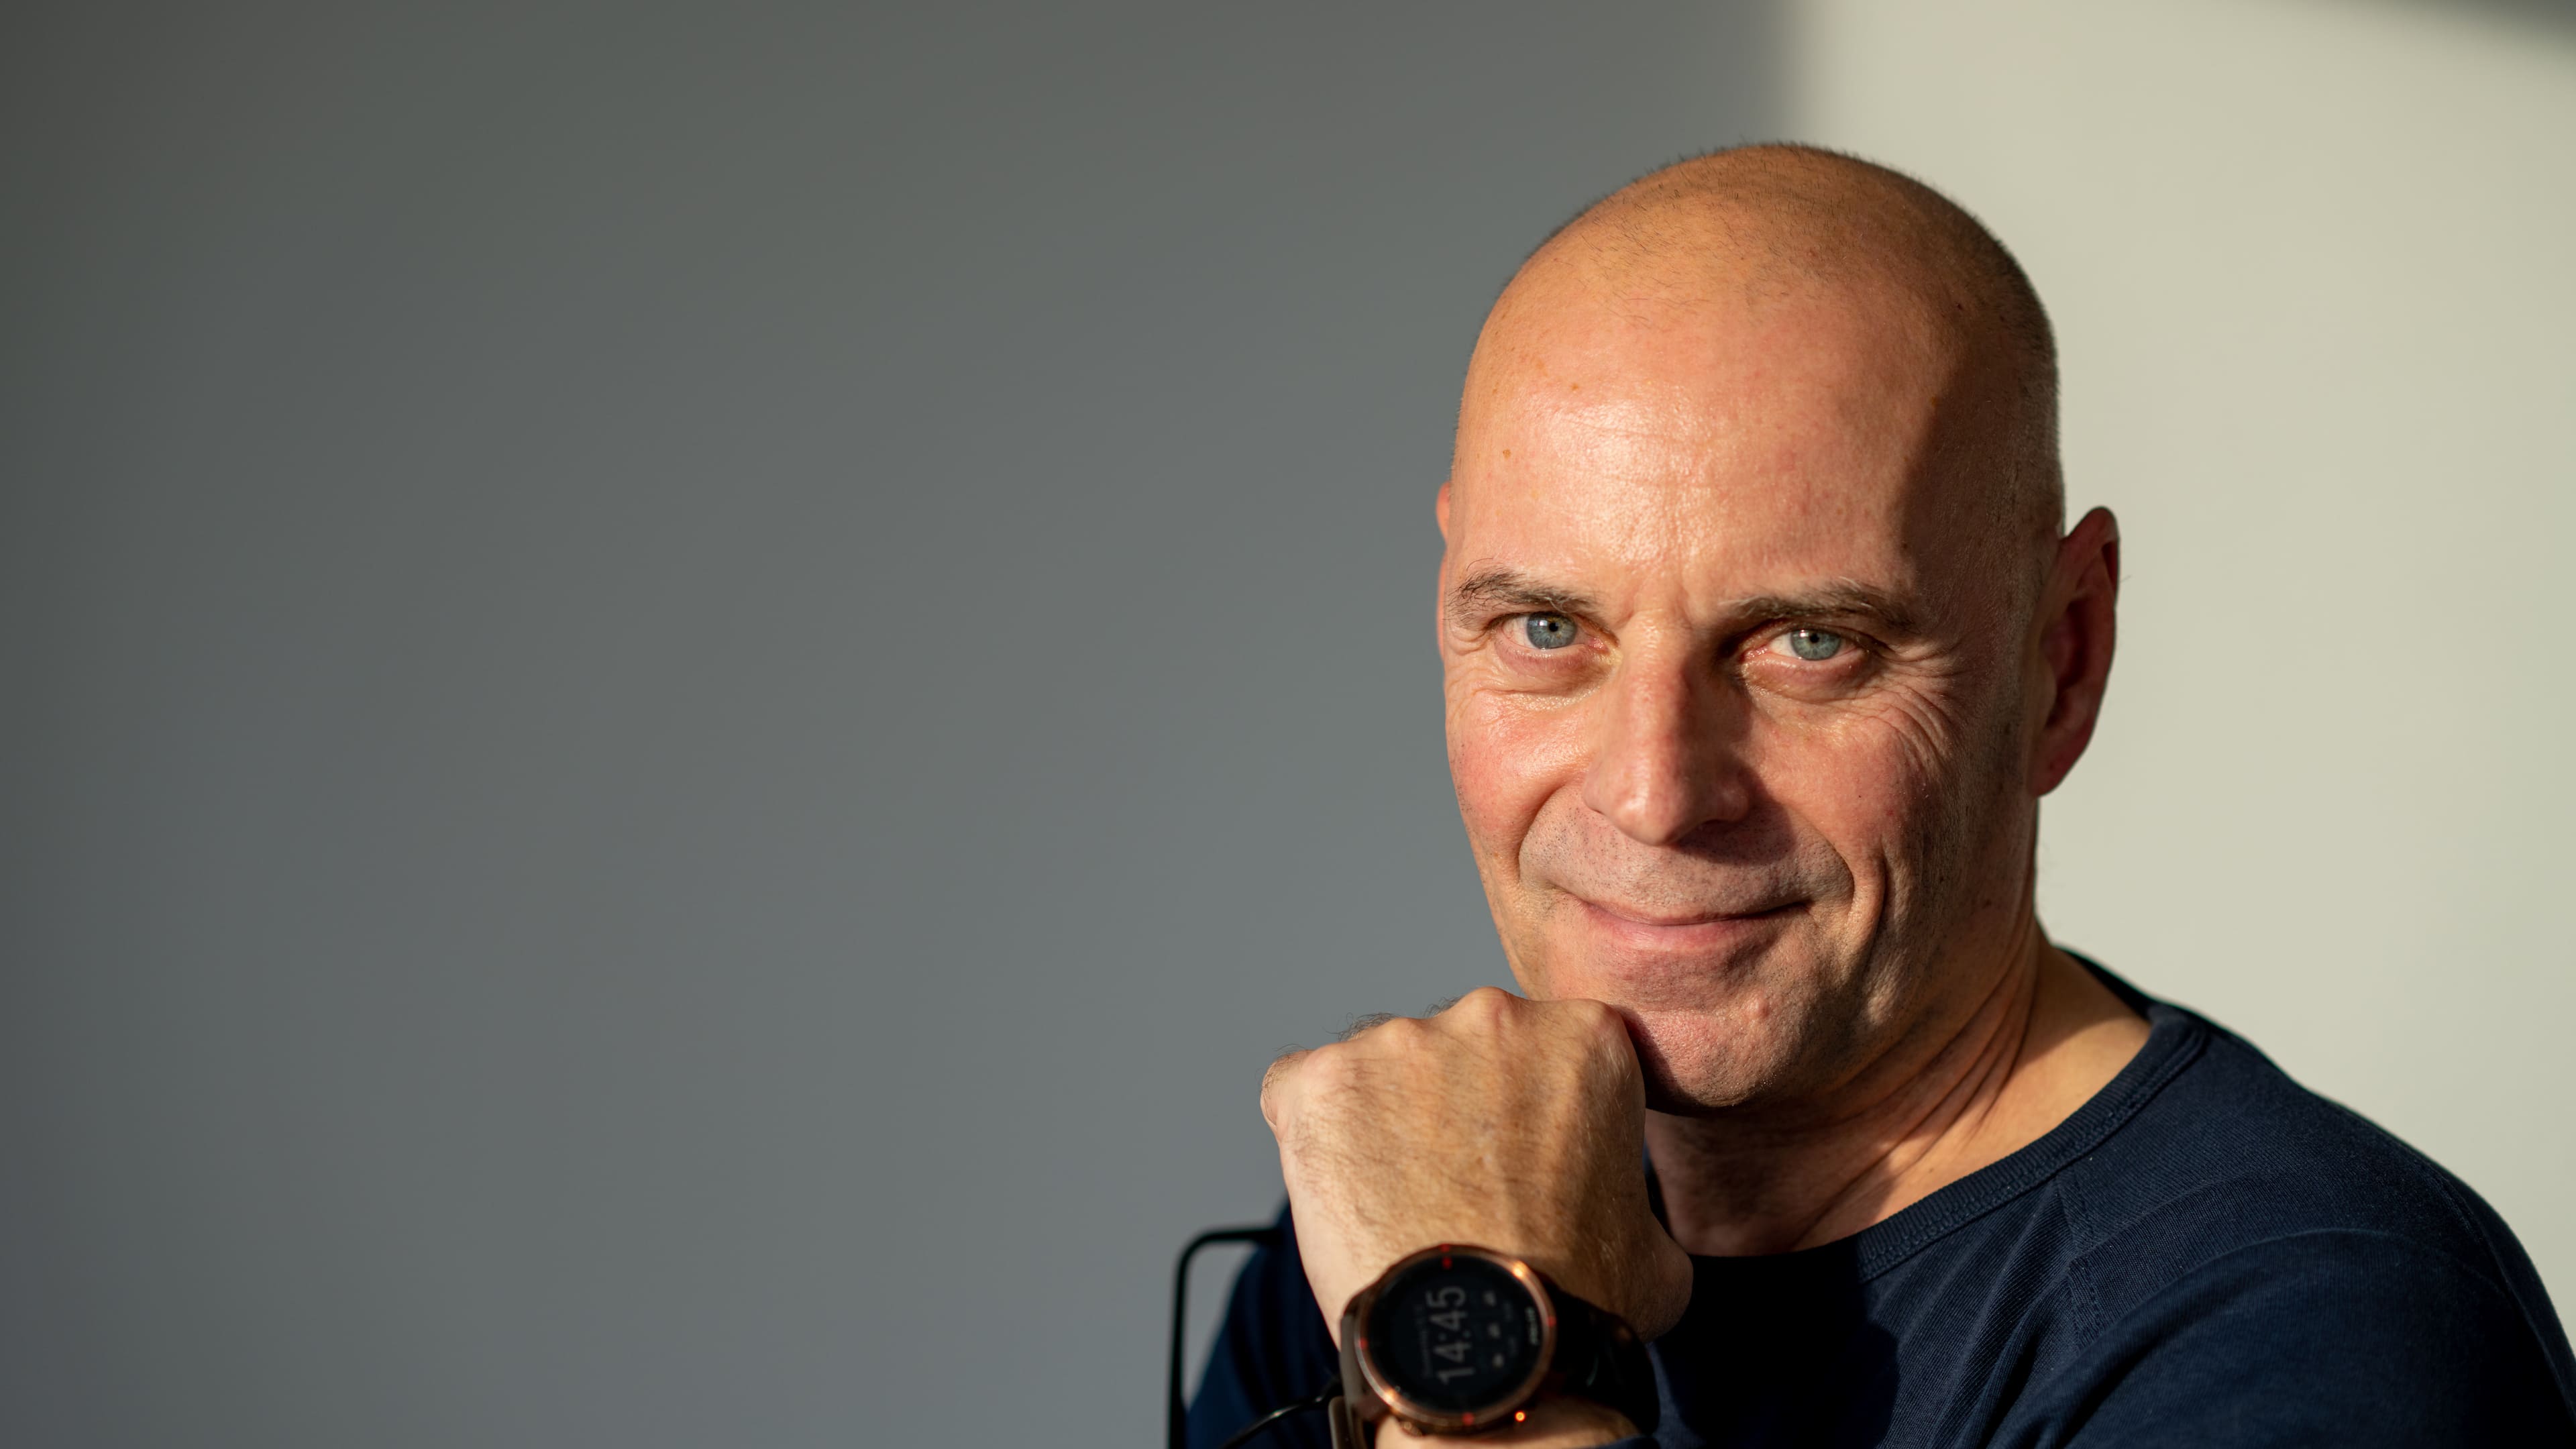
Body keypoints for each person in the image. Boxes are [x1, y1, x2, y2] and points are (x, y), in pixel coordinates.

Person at [1188, 146, 2576, 1448]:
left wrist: (1489, 1370)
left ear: (2061, 658)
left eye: (1809, 644)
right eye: (1548, 629)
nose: (1653, 794)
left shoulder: (2323, 1327)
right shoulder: (1425, 1194)